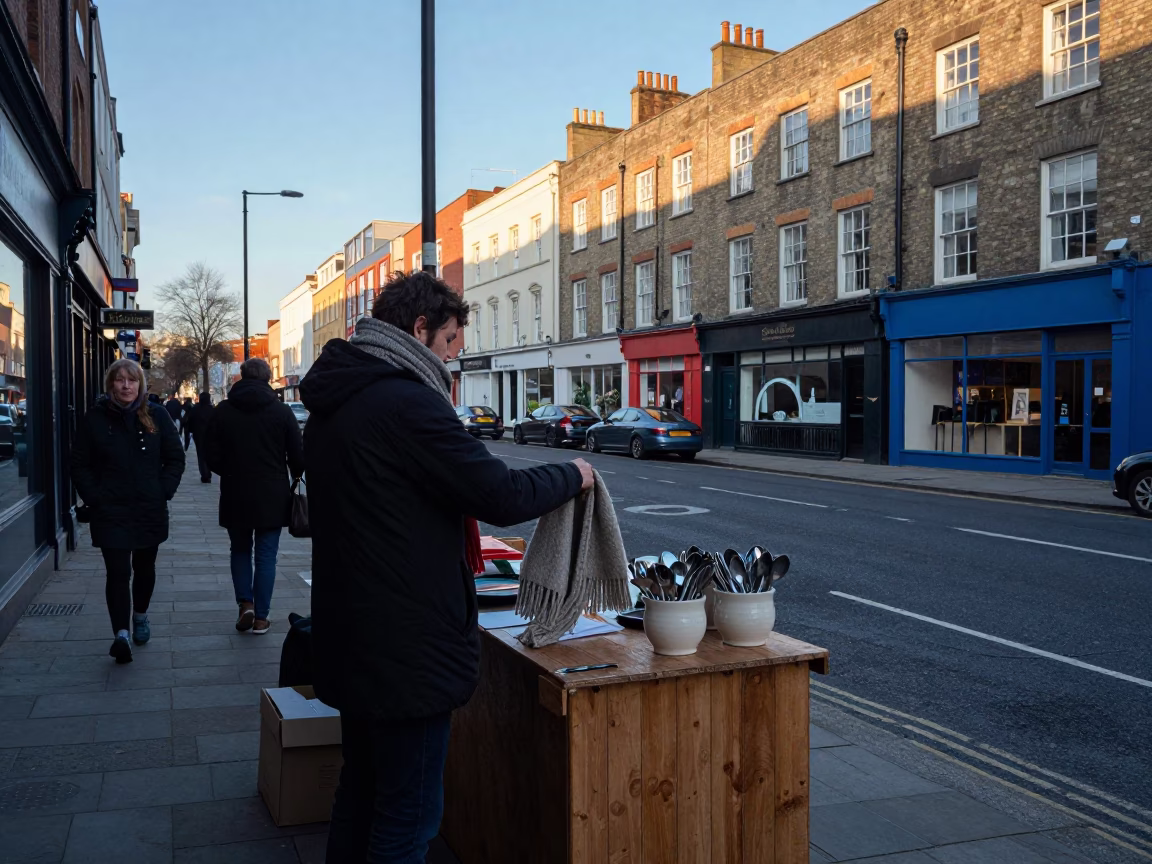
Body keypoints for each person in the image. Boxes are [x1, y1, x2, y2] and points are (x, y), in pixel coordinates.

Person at [301, 270, 593, 863]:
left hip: (351, 632)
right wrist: (574, 474)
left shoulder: (338, 398)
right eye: (452, 340)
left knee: (360, 791)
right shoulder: (406, 401)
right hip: (405, 648)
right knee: (408, 819)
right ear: (420, 328)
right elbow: (498, 493)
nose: (455, 356)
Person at [70, 358, 185, 663]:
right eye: (120, 380)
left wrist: (163, 490)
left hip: (149, 508)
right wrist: (94, 497)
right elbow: (79, 463)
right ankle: (121, 634)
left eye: (131, 380)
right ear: (111, 384)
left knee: (145, 568)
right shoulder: (95, 418)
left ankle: (141, 615)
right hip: (110, 510)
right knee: (118, 572)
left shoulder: (156, 415)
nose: (125, 386)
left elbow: (175, 458)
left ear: (140, 384)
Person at [204, 358, 304, 635]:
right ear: (268, 378)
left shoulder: (224, 411)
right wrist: (295, 475)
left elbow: (210, 452)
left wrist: (228, 470)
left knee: (239, 549)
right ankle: (261, 617)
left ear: (241, 376)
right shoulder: (281, 412)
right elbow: (297, 455)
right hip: (272, 492)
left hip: (235, 490)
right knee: (266, 555)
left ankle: (245, 603)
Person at [186, 392, 215, 482]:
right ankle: (208, 472)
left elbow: (190, 420)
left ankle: (204, 473)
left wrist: (190, 430)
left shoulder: (195, 409)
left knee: (201, 454)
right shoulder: (212, 409)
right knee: (209, 453)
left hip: (198, 434)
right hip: (210, 435)